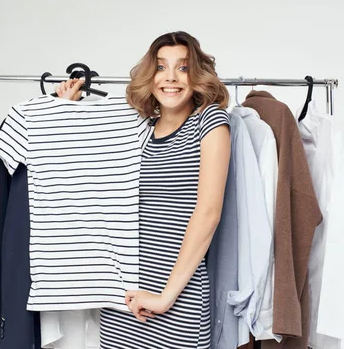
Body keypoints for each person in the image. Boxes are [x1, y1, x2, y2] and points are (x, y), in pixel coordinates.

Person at [56, 31, 231, 349]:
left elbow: (208, 213)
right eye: (162, 67)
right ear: (151, 77)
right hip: (125, 302)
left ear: (197, 75)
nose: (171, 78)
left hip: (177, 299)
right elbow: (84, 174)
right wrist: (65, 112)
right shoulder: (138, 130)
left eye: (182, 67)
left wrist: (166, 297)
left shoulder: (209, 121)